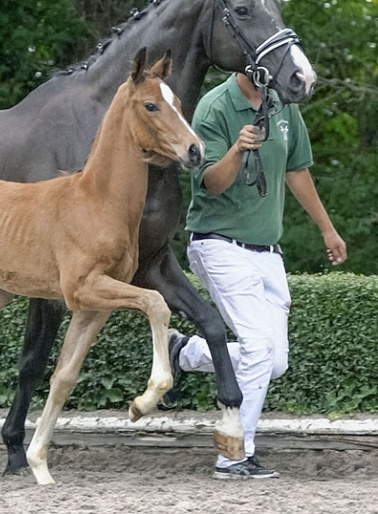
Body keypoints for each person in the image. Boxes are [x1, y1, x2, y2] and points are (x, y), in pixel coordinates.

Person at [168, 72, 347, 480]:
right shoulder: (216, 105)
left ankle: (185, 353)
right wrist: (236, 149)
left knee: (274, 361)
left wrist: (327, 228)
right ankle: (233, 455)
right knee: (256, 346)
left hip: (268, 252)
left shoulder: (284, 103)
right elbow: (210, 183)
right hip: (218, 245)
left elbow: (296, 170)